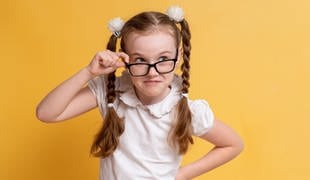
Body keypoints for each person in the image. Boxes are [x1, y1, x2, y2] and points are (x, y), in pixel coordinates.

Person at [36, 6, 244, 180]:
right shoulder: (112, 93)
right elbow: (46, 113)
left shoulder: (187, 110)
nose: (152, 72)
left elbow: (233, 144)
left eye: (163, 59)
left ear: (178, 56)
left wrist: (180, 175)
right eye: (140, 60)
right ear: (125, 59)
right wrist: (88, 72)